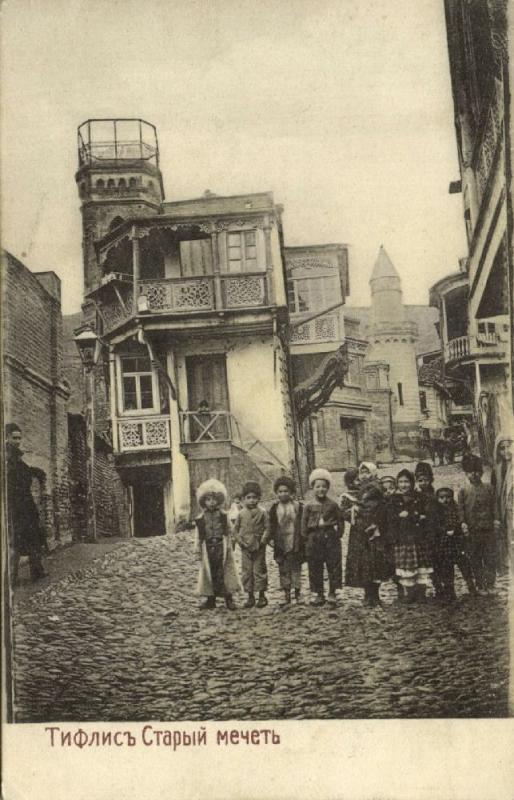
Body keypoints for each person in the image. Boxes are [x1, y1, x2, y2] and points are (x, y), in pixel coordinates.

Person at [5, 423, 48, 585]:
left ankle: (36, 571)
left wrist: (33, 471)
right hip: (16, 506)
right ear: (6, 437)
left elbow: (21, 472)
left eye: (19, 438)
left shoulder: (15, 456)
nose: (17, 441)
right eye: (14, 438)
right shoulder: (8, 457)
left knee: (32, 537)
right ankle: (11, 576)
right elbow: (14, 478)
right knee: (17, 541)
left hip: (24, 504)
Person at [194, 478, 240, 610]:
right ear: (203, 501)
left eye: (214, 499)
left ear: (219, 500)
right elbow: (198, 536)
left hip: (222, 546)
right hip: (207, 548)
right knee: (210, 573)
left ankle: (229, 598)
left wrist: (233, 542)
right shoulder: (201, 519)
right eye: (208, 500)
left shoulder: (224, 516)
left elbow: (231, 530)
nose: (211, 502)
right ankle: (210, 599)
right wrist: (197, 549)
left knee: (224, 571)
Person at [344, 480, 392, 607]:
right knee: (364, 567)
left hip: (376, 540)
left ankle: (375, 594)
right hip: (360, 539)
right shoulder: (355, 502)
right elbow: (347, 515)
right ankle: (368, 594)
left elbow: (385, 517)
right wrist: (353, 512)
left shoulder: (381, 503)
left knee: (376, 567)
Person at [301, 468, 343, 606]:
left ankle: (332, 592)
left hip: (330, 538)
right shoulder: (308, 506)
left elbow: (340, 520)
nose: (321, 489)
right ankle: (318, 593)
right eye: (317, 486)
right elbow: (304, 523)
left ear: (328, 488)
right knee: (315, 566)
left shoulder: (333, 504)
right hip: (314, 538)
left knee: (333, 565)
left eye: (324, 487)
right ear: (312, 487)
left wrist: (338, 534)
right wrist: (306, 537)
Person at [428, 487, 476, 604]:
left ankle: (471, 587)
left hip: (457, 542)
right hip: (444, 544)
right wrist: (445, 531)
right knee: (447, 568)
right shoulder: (436, 511)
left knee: (464, 565)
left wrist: (457, 530)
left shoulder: (456, 509)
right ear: (437, 499)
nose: (446, 500)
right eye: (442, 498)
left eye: (448, 497)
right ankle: (450, 591)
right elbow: (435, 526)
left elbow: (460, 522)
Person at [458, 454, 496, 594]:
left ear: (481, 472)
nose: (473, 475)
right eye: (470, 472)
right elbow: (461, 509)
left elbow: (494, 506)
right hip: (473, 531)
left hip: (488, 529)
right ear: (466, 474)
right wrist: (463, 523)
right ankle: (480, 584)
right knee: (475, 558)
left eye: (476, 472)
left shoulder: (489, 488)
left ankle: (491, 584)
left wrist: (496, 520)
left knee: (490, 557)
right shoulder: (463, 491)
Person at [387, 469, 425, 604]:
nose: (404, 485)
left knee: (420, 565)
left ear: (412, 483)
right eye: (401, 482)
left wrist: (410, 515)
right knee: (405, 566)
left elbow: (422, 514)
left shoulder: (418, 497)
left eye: (407, 482)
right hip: (401, 537)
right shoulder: (392, 499)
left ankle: (420, 592)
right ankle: (407, 592)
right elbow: (389, 517)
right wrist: (399, 517)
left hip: (417, 537)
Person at [266, 476, 304, 605]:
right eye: (280, 491)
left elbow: (303, 524)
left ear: (292, 492)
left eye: (286, 491)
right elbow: (271, 525)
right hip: (281, 542)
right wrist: (270, 539)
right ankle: (287, 593)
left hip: (295, 540)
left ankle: (297, 593)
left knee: (296, 568)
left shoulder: (298, 506)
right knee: (283, 568)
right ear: (276, 493)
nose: (283, 494)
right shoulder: (274, 508)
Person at [233, 481, 269, 608]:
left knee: (259, 571)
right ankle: (250, 597)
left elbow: (267, 528)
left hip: (259, 547)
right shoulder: (241, 514)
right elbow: (235, 530)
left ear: (259, 498)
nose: (252, 500)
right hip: (245, 547)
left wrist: (263, 541)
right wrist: (240, 542)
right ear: (243, 499)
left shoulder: (263, 512)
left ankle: (262, 596)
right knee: (247, 572)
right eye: (248, 498)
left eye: (254, 497)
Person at [413, 462, 436, 602]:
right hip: (420, 532)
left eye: (426, 480)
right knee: (422, 561)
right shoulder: (415, 495)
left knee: (433, 559)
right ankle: (420, 589)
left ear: (431, 480)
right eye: (420, 480)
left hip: (432, 531)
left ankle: (437, 585)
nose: (423, 483)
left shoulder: (435, 494)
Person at [491, 433, 512, 575]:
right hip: (503, 507)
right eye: (501, 448)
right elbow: (495, 492)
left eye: (508, 447)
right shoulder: (497, 469)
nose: (505, 451)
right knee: (505, 535)